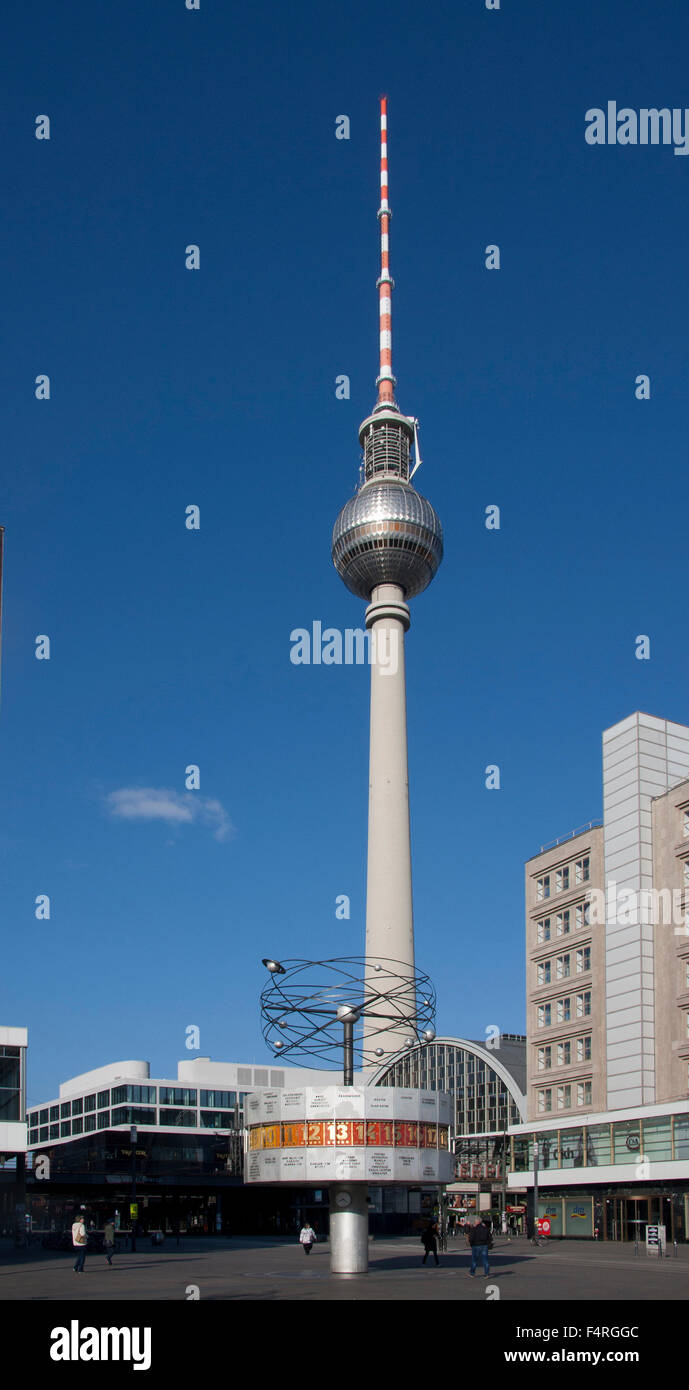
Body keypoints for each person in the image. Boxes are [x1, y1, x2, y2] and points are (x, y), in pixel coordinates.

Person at [72, 1208, 88, 1273]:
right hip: (81, 1243)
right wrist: (87, 1236)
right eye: (82, 1219)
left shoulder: (73, 1225)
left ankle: (75, 1267)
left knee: (79, 1256)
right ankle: (80, 1269)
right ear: (80, 1219)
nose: (83, 1220)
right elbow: (82, 1234)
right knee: (82, 1257)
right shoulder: (82, 1225)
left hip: (75, 1243)